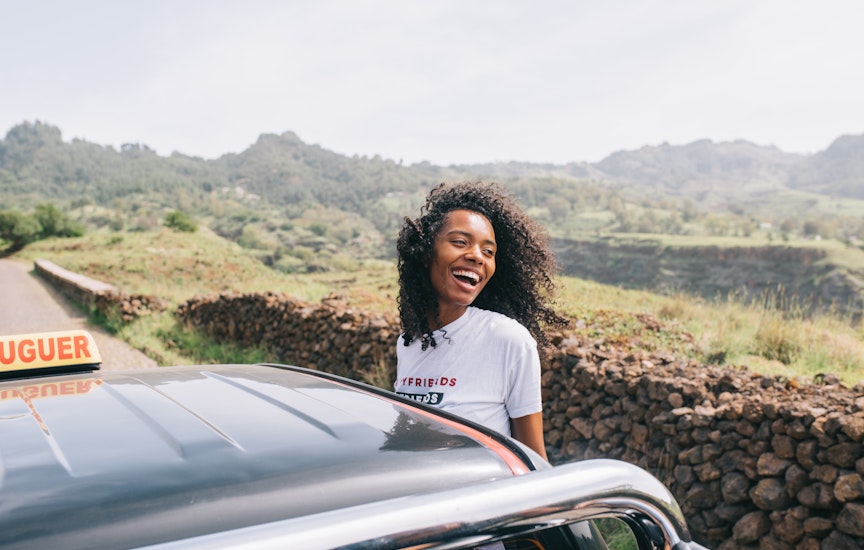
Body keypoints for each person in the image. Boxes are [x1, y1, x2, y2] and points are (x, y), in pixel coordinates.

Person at [394, 181, 569, 460]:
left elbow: (533, 458)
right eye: (460, 242)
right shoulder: (408, 342)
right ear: (426, 253)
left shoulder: (508, 339)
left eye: (488, 251)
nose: (477, 256)